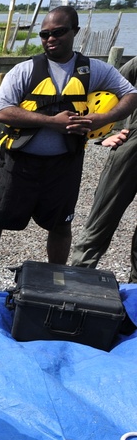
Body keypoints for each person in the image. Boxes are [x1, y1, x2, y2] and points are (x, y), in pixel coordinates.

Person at [0, 6, 137, 291]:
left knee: (60, 225)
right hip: (18, 163)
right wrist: (51, 122)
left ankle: (55, 283)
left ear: (74, 32)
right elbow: (2, 112)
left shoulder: (93, 71)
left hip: (64, 164)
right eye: (44, 34)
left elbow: (130, 93)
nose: (50, 38)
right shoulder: (25, 69)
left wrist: (101, 119)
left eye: (58, 32)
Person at [69, 56, 137, 283]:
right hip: (131, 149)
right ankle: (77, 280)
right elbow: (101, 92)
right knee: (102, 218)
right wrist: (107, 134)